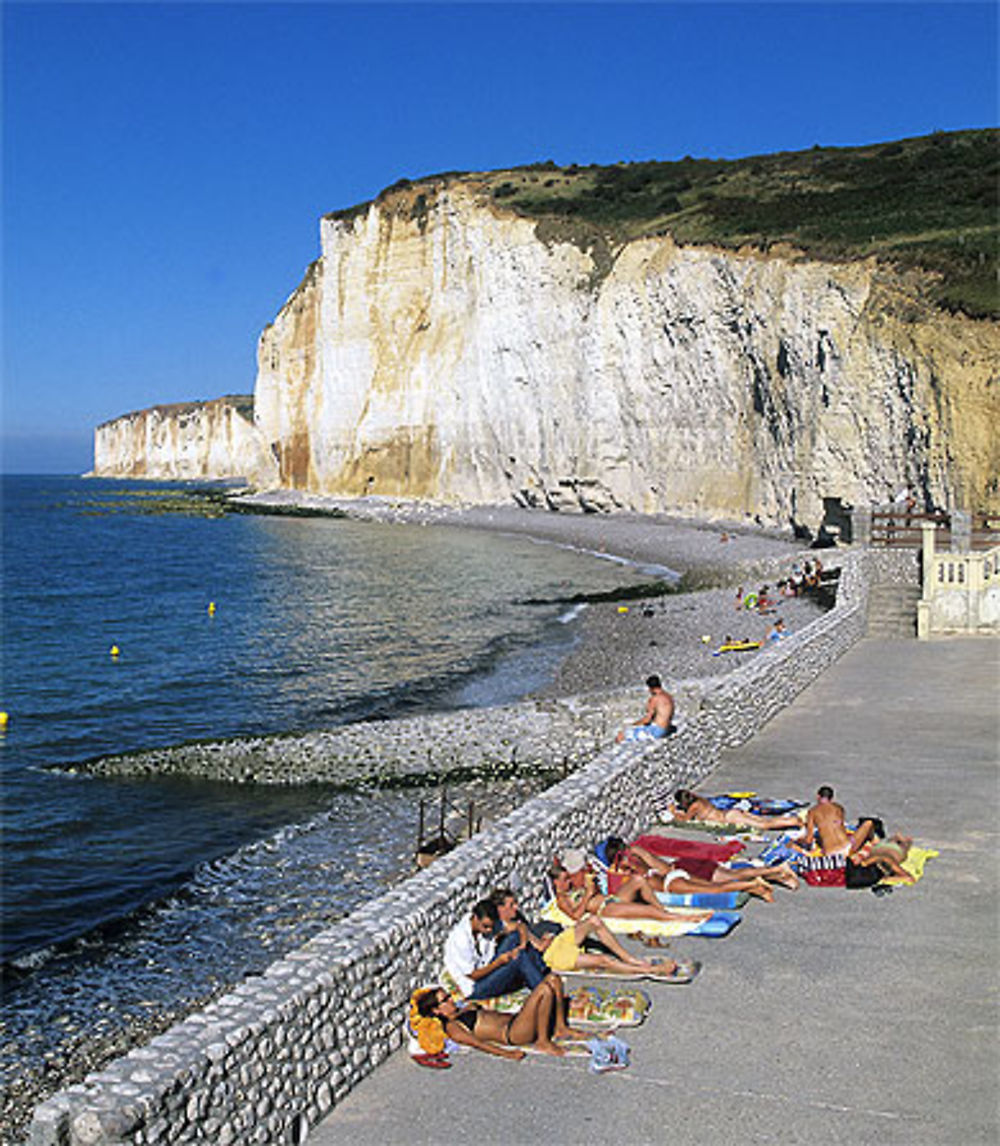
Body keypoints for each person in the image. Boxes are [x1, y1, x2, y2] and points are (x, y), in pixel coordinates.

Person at [411, 975, 587, 1060]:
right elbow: (478, 1044)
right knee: (544, 990)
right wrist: (508, 1054)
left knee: (553, 979)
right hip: (514, 1033)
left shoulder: (463, 1008)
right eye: (445, 1000)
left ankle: (560, 1027)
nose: (451, 999)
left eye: (449, 995)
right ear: (436, 1010)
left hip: (517, 1020)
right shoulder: (453, 1027)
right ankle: (542, 1041)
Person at [551, 850, 710, 925]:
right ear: (555, 883)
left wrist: (592, 887)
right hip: (605, 908)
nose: (568, 883)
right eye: (564, 880)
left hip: (611, 899)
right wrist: (588, 894)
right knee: (648, 912)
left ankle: (664, 911)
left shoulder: (573, 889)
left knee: (638, 879)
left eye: (568, 879)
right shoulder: (562, 899)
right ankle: (686, 919)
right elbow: (576, 917)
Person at [607, 839, 798, 901]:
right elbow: (654, 862)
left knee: (716, 887)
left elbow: (620, 892)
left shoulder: (624, 867)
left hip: (670, 881)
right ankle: (772, 873)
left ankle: (751, 885)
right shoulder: (638, 854)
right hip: (679, 869)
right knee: (728, 878)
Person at [443, 898, 549, 1000]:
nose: (489, 930)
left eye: (491, 927)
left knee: (515, 937)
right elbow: (473, 975)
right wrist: (499, 962)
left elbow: (520, 927)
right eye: (485, 926)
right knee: (519, 958)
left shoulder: (490, 926)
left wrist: (522, 945)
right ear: (475, 918)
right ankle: (544, 993)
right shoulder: (461, 939)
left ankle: (543, 973)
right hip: (475, 986)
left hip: (489, 967)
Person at [669, 789, 804, 830]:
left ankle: (795, 822)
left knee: (764, 825)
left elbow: (685, 820)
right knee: (764, 821)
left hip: (730, 817)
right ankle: (793, 820)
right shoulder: (699, 800)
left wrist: (673, 812)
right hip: (732, 813)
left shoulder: (694, 807)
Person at [795, 785, 851, 858]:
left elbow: (809, 840)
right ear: (831, 798)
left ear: (818, 796)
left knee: (791, 845)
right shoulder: (838, 808)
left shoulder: (812, 812)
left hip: (832, 853)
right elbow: (840, 826)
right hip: (848, 848)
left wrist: (799, 841)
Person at [616, 675, 675, 742]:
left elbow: (647, 719)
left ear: (650, 688)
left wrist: (632, 725)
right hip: (666, 729)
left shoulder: (654, 699)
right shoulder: (669, 697)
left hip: (656, 731)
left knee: (622, 735)